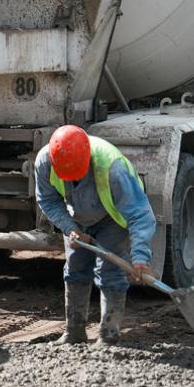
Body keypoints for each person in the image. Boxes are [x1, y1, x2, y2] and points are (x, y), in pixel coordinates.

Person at [34, 125, 157, 345]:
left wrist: (140, 257)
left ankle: (109, 336)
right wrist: (70, 228)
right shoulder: (45, 162)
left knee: (110, 272)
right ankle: (74, 333)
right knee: (75, 269)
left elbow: (140, 214)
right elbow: (48, 200)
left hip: (112, 219)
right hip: (76, 219)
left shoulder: (113, 168)